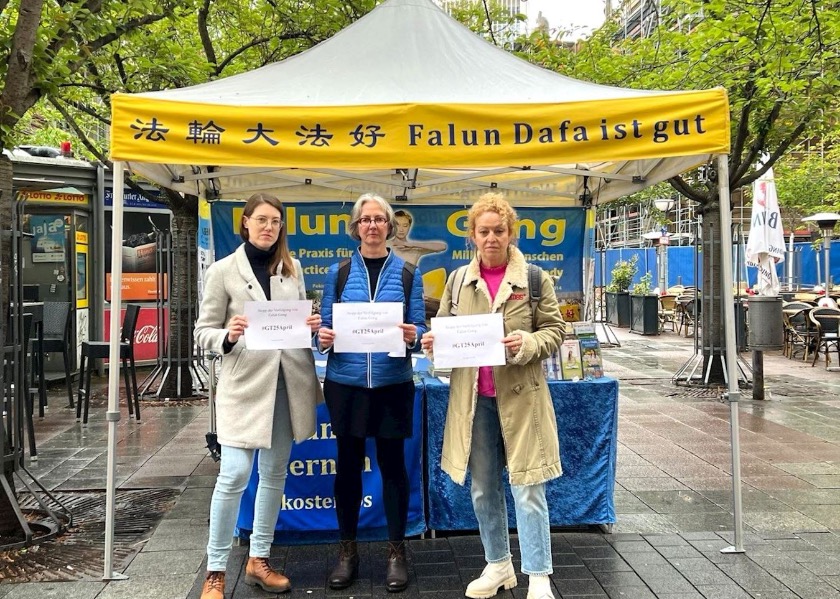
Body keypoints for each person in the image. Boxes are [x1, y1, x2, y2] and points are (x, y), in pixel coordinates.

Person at [421, 192, 565, 599]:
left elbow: (555, 332)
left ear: (510, 232)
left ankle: (538, 573)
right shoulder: (457, 281)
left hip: (522, 399)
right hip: (474, 402)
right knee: (483, 487)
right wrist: (436, 343)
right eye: (483, 231)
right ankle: (499, 565)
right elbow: (447, 329)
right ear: (472, 235)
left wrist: (527, 342)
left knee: (528, 484)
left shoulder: (535, 280)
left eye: (498, 230)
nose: (491, 238)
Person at [194, 193, 324, 599]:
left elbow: (297, 327)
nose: (269, 227)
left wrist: (312, 324)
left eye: (276, 221)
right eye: (262, 220)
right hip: (244, 388)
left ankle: (258, 559)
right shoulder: (222, 271)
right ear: (245, 223)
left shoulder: (292, 268)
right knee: (233, 474)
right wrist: (228, 335)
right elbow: (202, 333)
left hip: (288, 385)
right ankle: (216, 570)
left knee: (274, 474)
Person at [318, 193, 427, 593]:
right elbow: (323, 327)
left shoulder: (409, 273)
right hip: (346, 385)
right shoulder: (339, 273)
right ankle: (347, 552)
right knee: (347, 468)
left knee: (393, 469)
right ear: (356, 227)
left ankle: (396, 552)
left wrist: (415, 336)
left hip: (392, 384)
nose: (373, 226)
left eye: (380, 219)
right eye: (366, 220)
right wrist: (323, 336)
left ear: (389, 227)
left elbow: (418, 328)